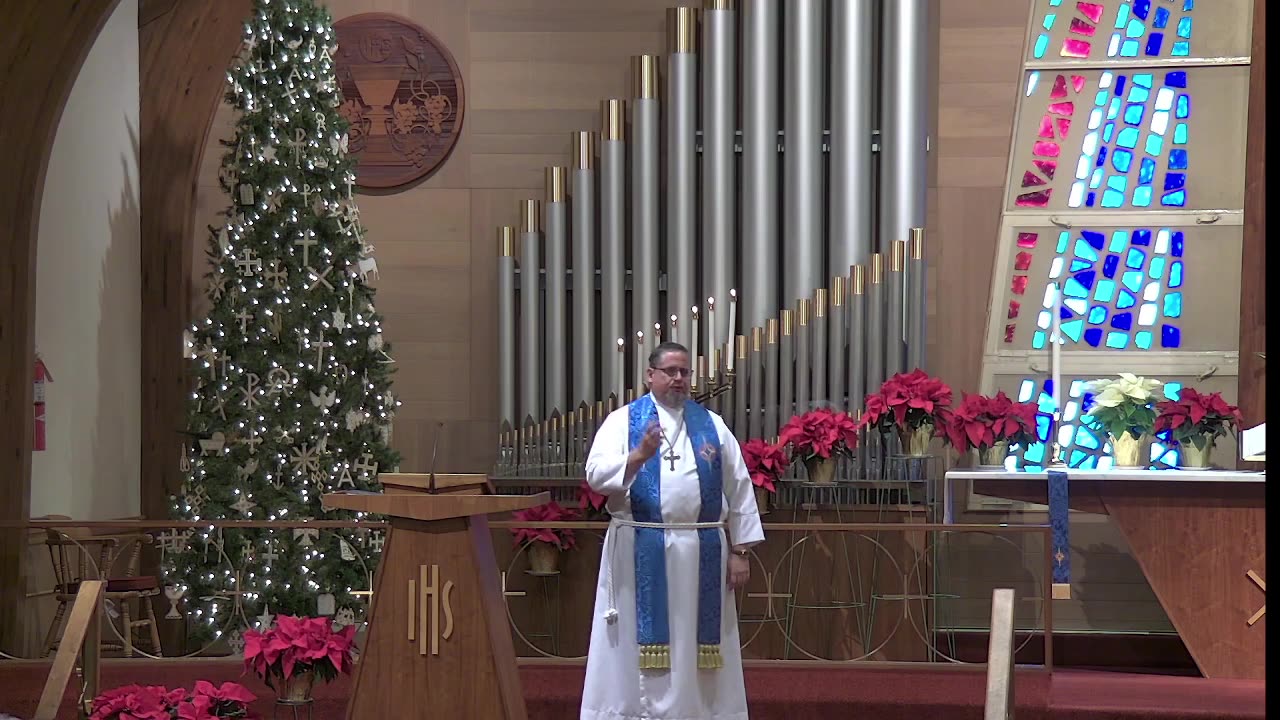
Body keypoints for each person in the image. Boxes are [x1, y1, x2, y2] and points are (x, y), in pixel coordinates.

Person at [580, 341, 764, 720]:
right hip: (639, 547)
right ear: (651, 375)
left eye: (685, 373)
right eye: (670, 372)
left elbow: (740, 486)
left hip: (703, 552)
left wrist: (741, 551)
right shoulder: (622, 421)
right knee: (632, 644)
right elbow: (596, 476)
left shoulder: (711, 426)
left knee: (698, 643)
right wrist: (638, 457)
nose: (679, 379)